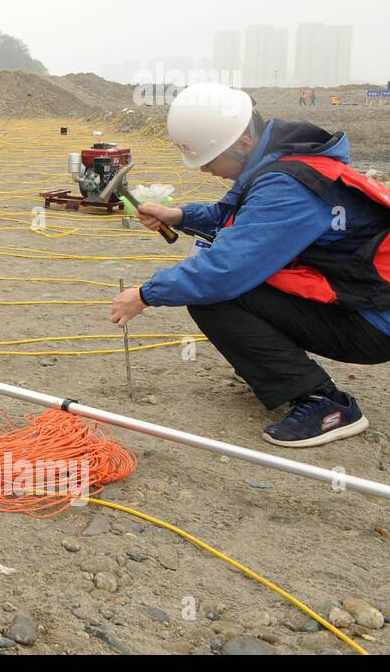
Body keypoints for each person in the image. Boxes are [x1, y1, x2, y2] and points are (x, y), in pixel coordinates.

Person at [111, 82, 390, 448]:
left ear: (242, 142)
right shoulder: (280, 161)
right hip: (367, 300)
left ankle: (325, 405)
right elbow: (235, 216)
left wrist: (146, 294)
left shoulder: (288, 185)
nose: (206, 171)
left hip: (374, 320)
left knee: (216, 296)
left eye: (209, 161)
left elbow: (224, 271)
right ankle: (281, 373)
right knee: (231, 283)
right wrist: (178, 215)